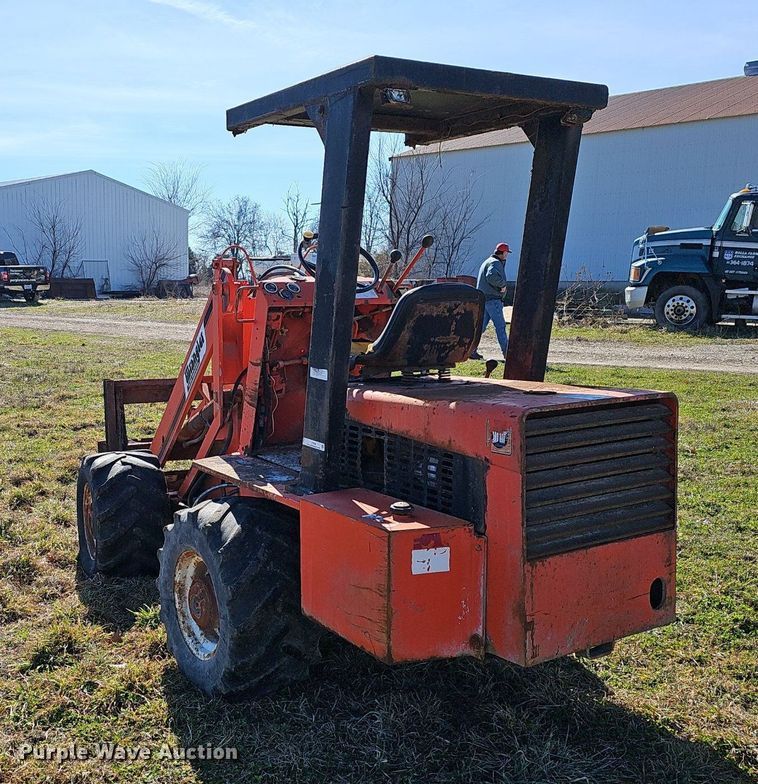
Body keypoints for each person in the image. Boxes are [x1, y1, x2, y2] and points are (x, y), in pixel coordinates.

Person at [470, 242, 510, 360]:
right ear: (503, 253)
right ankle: (507, 353)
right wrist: (502, 285)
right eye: (507, 253)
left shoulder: (487, 261)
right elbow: (491, 276)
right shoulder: (495, 263)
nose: (507, 255)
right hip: (493, 300)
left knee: (480, 328)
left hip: (484, 300)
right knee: (500, 327)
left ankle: (471, 351)